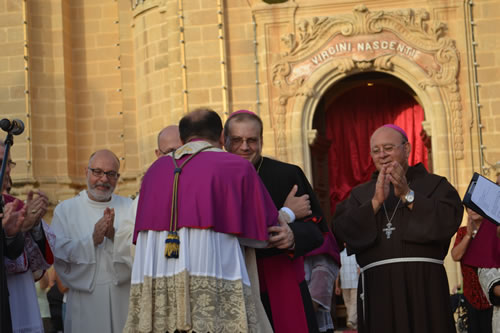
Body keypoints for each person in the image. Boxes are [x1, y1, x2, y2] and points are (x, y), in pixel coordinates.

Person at [124, 108, 284, 333]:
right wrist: (289, 212)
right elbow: (267, 230)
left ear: (182, 139)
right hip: (211, 283)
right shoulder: (235, 166)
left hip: (161, 283)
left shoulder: (154, 171)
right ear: (221, 137)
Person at [334, 124, 463, 333]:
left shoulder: (435, 185)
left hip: (424, 287)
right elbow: (342, 229)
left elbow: (448, 220)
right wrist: (375, 202)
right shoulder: (360, 195)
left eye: (388, 148)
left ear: (407, 149)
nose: (382, 155)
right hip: (378, 291)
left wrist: (407, 194)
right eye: (376, 150)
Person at [224, 110, 340, 333]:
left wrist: (293, 235)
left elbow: (318, 232)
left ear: (262, 141)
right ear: (226, 142)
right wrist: (286, 213)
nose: (245, 147)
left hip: (280, 276)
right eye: (237, 140)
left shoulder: (287, 175)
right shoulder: (216, 177)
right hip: (235, 277)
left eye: (252, 140)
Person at [51, 149, 134, 333]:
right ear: (86, 172)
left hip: (123, 298)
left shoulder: (129, 206)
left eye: (110, 174)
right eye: (97, 172)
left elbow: (140, 250)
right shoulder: (66, 210)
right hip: (85, 300)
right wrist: (91, 241)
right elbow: (58, 253)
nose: (103, 179)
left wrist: (114, 235)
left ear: (117, 177)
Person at [1, 142, 55, 333]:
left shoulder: (15, 206)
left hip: (22, 297)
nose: (7, 169)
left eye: (9, 163)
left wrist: (34, 226)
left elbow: (41, 264)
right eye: (1, 162)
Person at [451, 208, 493, 333]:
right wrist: (469, 235)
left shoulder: (494, 231)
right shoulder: (462, 232)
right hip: (471, 296)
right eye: (469, 207)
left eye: (476, 207)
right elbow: (455, 256)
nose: (472, 210)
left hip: (491, 295)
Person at [335, 246, 359, 330]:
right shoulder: (354, 254)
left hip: (352, 283)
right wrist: (337, 286)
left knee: (352, 303)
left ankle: (351, 321)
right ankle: (353, 324)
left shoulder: (342, 255)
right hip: (350, 282)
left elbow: (337, 272)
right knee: (350, 304)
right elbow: (337, 272)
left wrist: (337, 286)